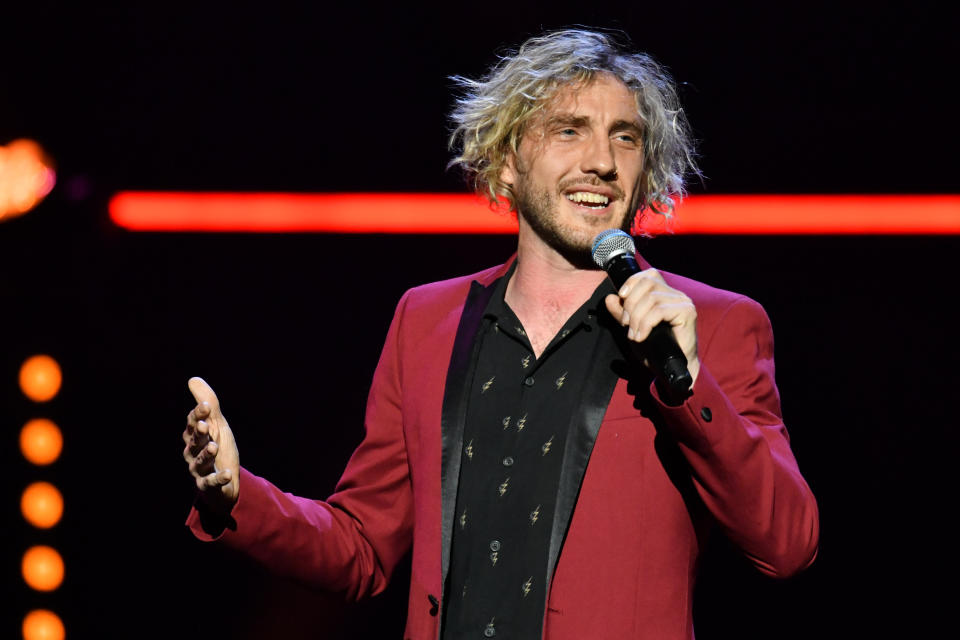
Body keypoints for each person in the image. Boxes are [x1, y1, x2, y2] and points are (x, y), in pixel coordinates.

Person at [182, 29, 819, 640]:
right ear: (508, 160)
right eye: (569, 131)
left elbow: (787, 546)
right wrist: (238, 497)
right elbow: (363, 549)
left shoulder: (716, 322)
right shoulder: (425, 320)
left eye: (624, 139)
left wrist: (688, 389)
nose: (601, 161)